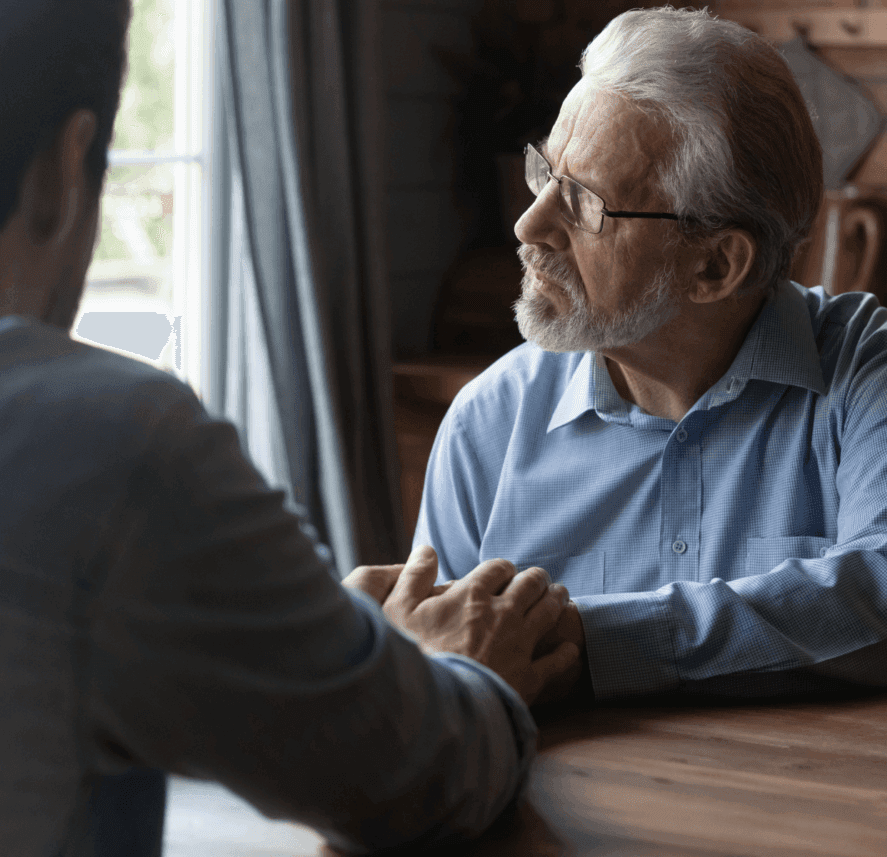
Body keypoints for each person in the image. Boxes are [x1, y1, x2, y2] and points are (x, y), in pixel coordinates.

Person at [0, 2, 579, 855]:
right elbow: (418, 775)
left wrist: (321, 648)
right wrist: (459, 672)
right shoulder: (113, 444)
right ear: (63, 170)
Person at [415, 6, 887, 702]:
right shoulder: (487, 425)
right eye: (543, 173)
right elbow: (442, 683)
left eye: (583, 202)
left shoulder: (878, 373)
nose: (529, 224)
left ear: (715, 267)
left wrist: (587, 639)